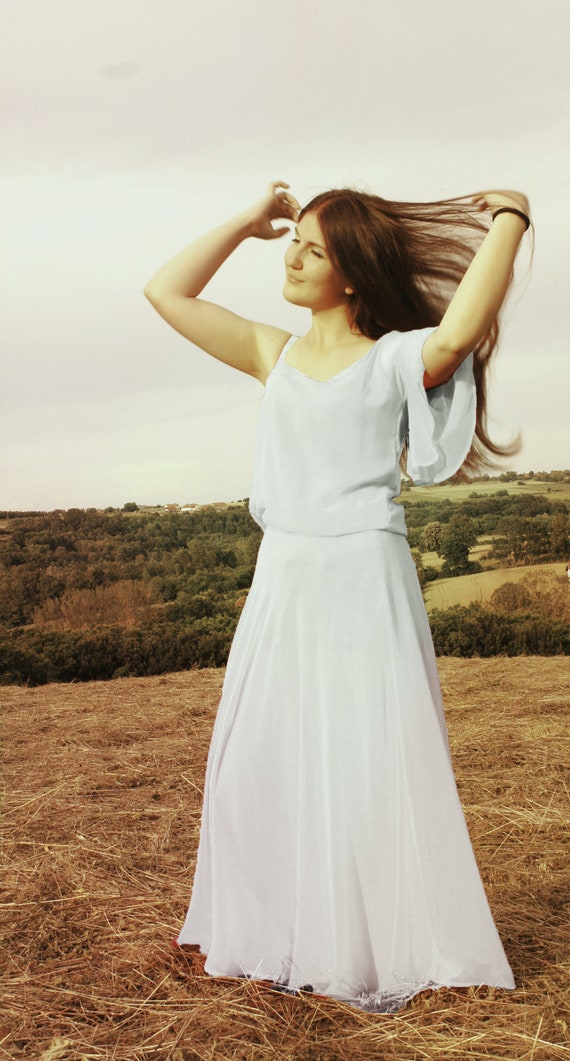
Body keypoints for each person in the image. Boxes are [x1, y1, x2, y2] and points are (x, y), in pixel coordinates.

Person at [144, 181, 531, 1012]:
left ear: (351, 273)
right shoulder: (269, 352)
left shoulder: (394, 359)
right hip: (284, 575)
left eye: (313, 250)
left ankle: (372, 941)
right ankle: (273, 923)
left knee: (369, 756)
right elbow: (165, 292)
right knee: (258, 755)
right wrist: (245, 221)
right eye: (295, 243)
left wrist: (513, 216)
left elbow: (461, 328)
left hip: (364, 574)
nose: (292, 257)